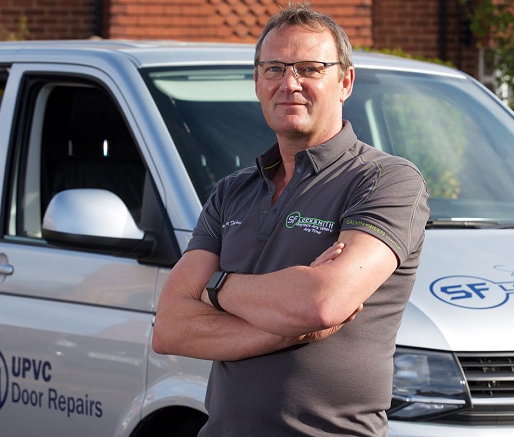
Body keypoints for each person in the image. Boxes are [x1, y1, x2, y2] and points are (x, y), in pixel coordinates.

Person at [152, 3, 429, 435]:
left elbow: (322, 303)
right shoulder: (231, 191)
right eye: (274, 68)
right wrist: (288, 330)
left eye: (310, 68)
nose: (289, 84)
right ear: (258, 82)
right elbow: (169, 327)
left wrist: (215, 286)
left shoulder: (385, 179)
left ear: (345, 82)